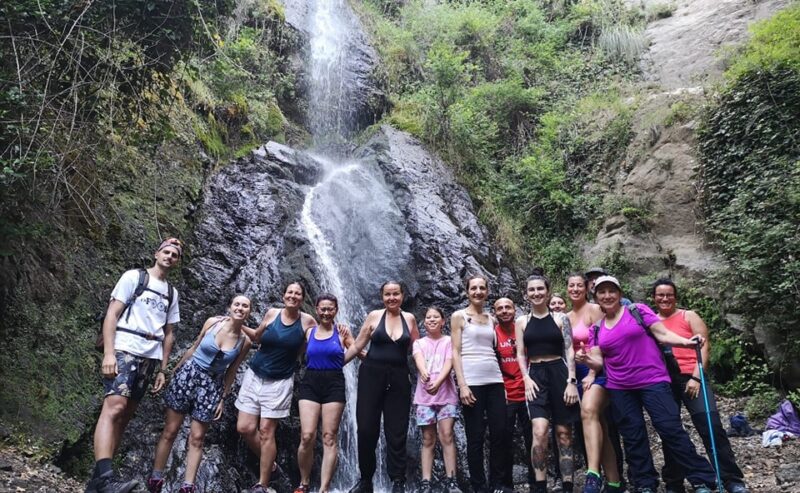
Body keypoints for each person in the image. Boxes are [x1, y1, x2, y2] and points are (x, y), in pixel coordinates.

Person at [576, 275, 717, 493]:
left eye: (611, 291)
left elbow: (662, 334)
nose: (607, 295)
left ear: (619, 294)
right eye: (601, 292)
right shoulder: (596, 329)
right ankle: (645, 483)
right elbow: (598, 361)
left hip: (653, 380)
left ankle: (704, 478)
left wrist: (686, 343)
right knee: (633, 436)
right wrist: (586, 360)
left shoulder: (637, 311)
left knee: (670, 429)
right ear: (596, 297)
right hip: (620, 386)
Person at [85, 238, 183, 493]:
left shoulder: (172, 293)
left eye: (175, 254)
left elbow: (169, 333)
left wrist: (162, 368)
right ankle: (106, 479)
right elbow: (112, 314)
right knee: (114, 406)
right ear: (156, 253)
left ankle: (97, 482)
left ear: (177, 261)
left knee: (125, 415)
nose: (170, 256)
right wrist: (109, 353)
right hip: (125, 347)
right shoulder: (134, 277)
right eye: (166, 251)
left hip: (149, 357)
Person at [147, 295, 253, 493]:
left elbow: (232, 371)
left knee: (197, 438)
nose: (240, 308)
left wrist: (222, 398)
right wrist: (173, 372)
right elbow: (194, 347)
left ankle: (188, 486)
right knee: (170, 430)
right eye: (237, 304)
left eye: (245, 306)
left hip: (212, 385)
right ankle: (156, 478)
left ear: (249, 312)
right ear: (230, 307)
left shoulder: (244, 342)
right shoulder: (212, 322)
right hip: (189, 374)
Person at [653, 279, 750, 493]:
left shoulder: (689, 316)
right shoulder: (652, 323)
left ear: (675, 296)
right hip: (665, 379)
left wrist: (697, 377)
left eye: (669, 294)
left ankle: (730, 478)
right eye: (660, 295)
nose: (665, 298)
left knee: (711, 425)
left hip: (691, 375)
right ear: (654, 298)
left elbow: (703, 346)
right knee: (671, 430)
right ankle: (674, 481)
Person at [237, 282, 316, 493]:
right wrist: (234, 322)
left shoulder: (308, 321)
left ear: (302, 299)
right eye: (289, 292)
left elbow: (313, 346)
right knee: (244, 427)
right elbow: (256, 337)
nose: (293, 296)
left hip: (280, 381)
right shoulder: (272, 313)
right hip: (254, 375)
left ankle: (262, 484)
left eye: (297, 293)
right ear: (284, 295)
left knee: (266, 431)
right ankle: (271, 465)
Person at [348, 281, 420, 493]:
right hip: (371, 375)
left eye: (395, 294)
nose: (391, 298)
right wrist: (335, 363)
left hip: (399, 377)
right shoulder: (373, 316)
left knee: (397, 430)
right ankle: (366, 480)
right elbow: (357, 345)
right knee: (367, 428)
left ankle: (398, 481)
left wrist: (429, 372)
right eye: (387, 294)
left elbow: (418, 349)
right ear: (382, 297)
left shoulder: (409, 319)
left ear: (402, 295)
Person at [515, 275, 579, 493]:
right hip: (535, 375)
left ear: (547, 292)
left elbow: (569, 350)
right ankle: (540, 486)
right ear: (526, 294)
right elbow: (520, 353)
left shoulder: (561, 318)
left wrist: (571, 381)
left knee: (563, 432)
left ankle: (568, 485)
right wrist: (526, 378)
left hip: (559, 373)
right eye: (531, 290)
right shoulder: (521, 322)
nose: (536, 293)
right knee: (540, 430)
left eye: (540, 289)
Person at [294, 293, 358, 493]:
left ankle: (324, 488)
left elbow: (357, 349)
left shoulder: (342, 333)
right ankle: (304, 483)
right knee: (307, 435)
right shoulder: (308, 332)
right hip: (310, 382)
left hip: (334, 383)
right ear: (316, 309)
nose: (326, 312)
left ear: (336, 310)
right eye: (323, 308)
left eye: (330, 308)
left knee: (329, 436)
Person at [451, 275, 508, 493]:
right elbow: (455, 352)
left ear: (487, 291)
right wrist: (462, 385)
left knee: (500, 432)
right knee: (475, 436)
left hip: (495, 380)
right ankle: (479, 486)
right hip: (472, 381)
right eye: (473, 288)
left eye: (482, 288)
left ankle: (498, 483)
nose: (478, 291)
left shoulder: (491, 318)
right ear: (467, 291)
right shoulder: (459, 317)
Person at [565, 273, 621, 493]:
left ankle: (593, 474)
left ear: (586, 289)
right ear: (567, 289)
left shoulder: (595, 310)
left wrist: (591, 372)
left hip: (599, 370)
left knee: (588, 411)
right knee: (600, 427)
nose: (576, 289)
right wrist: (571, 378)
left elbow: (602, 343)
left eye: (580, 285)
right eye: (572, 286)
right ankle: (615, 481)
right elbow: (569, 351)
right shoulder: (565, 316)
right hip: (578, 372)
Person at [413, 307, 461, 493]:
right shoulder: (419, 343)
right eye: (428, 317)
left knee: (447, 435)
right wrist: (424, 372)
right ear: (424, 322)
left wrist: (439, 381)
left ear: (443, 321)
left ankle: (452, 480)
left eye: (436, 317)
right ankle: (426, 481)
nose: (432, 320)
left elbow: (450, 362)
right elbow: (418, 359)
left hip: (446, 395)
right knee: (427, 438)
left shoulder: (449, 341)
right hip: (424, 397)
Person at [493, 297, 535, 490]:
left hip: (528, 392)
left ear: (514, 309)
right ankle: (504, 484)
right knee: (503, 441)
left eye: (507, 307)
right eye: (500, 308)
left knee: (533, 438)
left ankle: (537, 481)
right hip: (505, 395)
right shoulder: (493, 334)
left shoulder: (525, 331)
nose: (504, 311)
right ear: (495, 312)